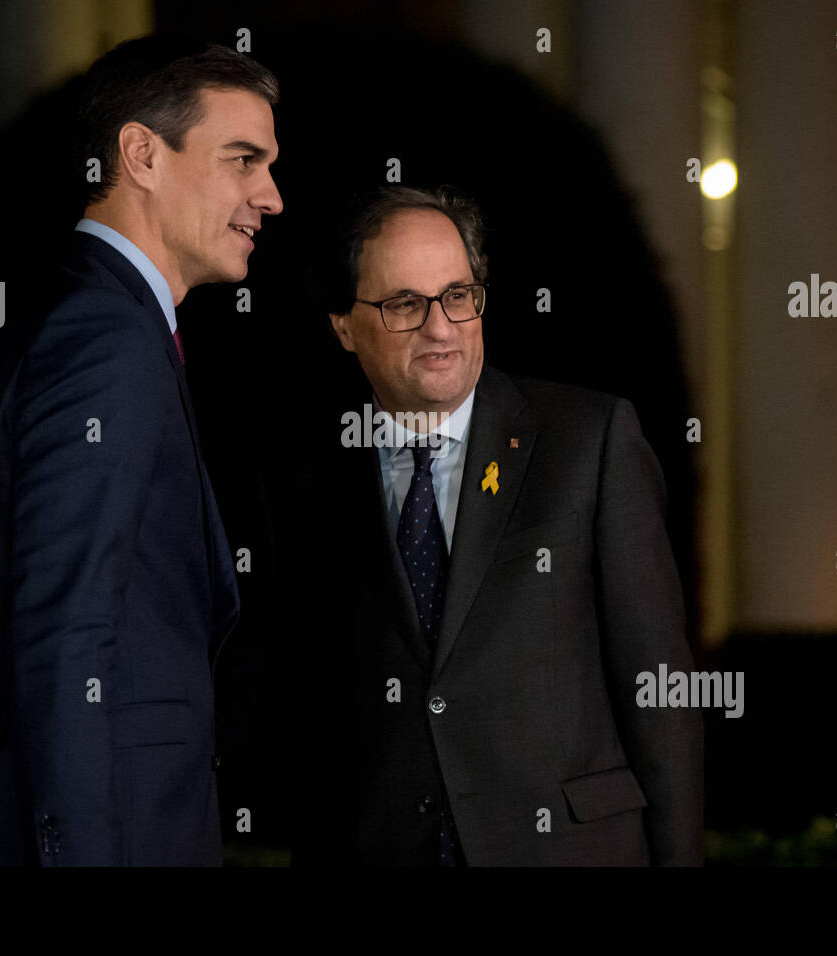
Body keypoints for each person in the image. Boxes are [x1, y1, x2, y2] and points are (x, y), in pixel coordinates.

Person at [0, 37, 282, 866]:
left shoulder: (83, 313)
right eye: (243, 160)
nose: (272, 197)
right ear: (141, 153)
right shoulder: (106, 338)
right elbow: (66, 631)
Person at [283, 185, 702, 866]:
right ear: (343, 325)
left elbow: (659, 690)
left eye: (458, 294)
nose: (441, 326)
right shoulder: (310, 479)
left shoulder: (588, 442)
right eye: (404, 305)